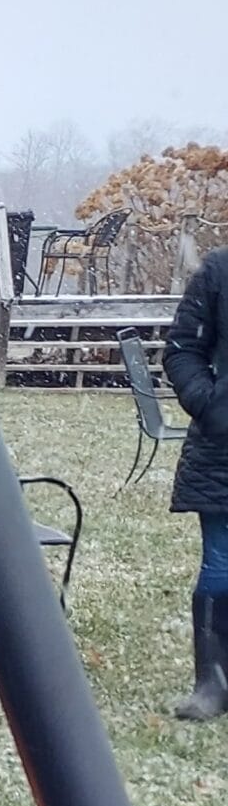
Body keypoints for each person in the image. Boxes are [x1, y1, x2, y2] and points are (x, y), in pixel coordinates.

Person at [164, 244, 228, 722]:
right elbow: (184, 348)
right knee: (221, 565)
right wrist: (210, 405)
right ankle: (212, 683)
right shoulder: (219, 272)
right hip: (222, 450)